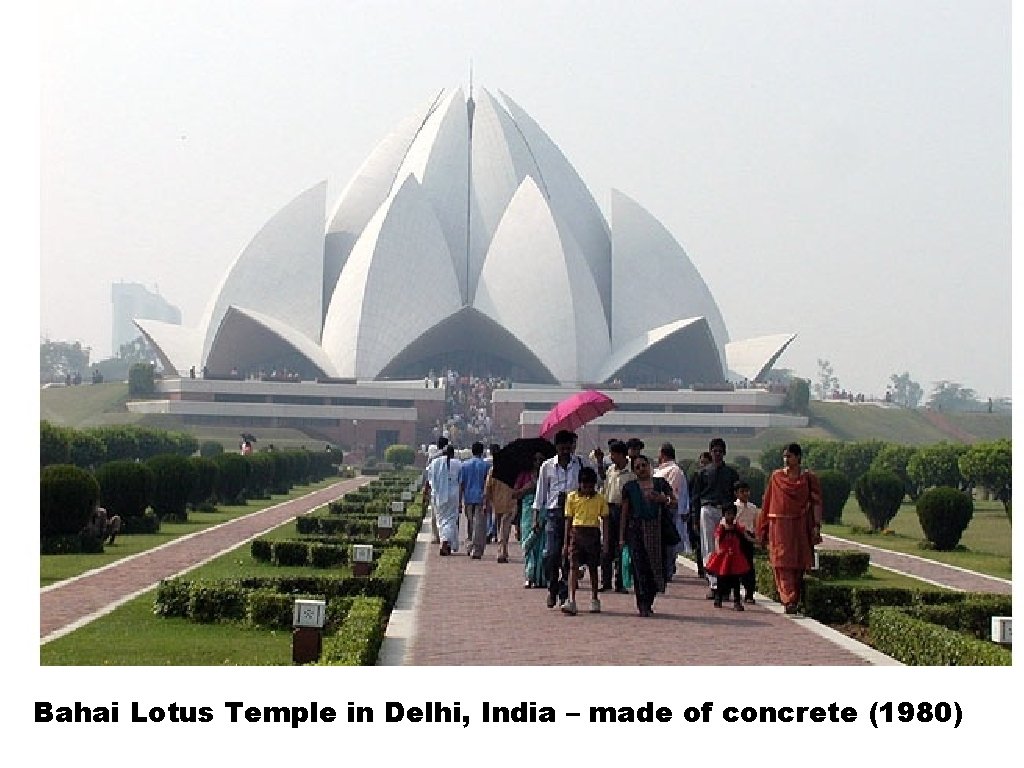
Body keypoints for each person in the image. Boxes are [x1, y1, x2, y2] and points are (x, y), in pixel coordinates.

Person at [757, 443, 823, 614]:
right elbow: (767, 503)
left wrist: (816, 525)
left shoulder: (808, 479)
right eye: (785, 456)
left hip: (800, 524)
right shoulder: (777, 477)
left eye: (790, 456)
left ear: (798, 457)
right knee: (781, 563)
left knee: (798, 564)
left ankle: (794, 597)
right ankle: (788, 600)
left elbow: (816, 503)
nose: (786, 460)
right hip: (779, 525)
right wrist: (762, 528)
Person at [533, 430, 586, 608]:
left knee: (569, 556)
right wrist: (536, 518)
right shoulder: (547, 467)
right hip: (553, 514)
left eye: (568, 447)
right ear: (556, 447)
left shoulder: (580, 464)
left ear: (572, 446)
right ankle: (552, 587)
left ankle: (565, 593)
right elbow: (540, 494)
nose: (565, 451)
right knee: (551, 554)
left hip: (574, 514)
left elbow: (595, 482)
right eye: (562, 448)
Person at [619, 454, 673, 617]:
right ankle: (642, 603)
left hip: (658, 531)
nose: (642, 469)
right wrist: (622, 537)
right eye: (637, 467)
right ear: (634, 471)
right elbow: (624, 513)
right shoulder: (630, 487)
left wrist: (663, 499)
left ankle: (649, 599)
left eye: (644, 465)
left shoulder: (660, 483)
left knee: (657, 567)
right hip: (637, 531)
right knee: (639, 568)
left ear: (649, 466)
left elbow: (674, 501)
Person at [689, 438, 740, 599]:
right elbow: (695, 498)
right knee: (709, 547)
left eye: (720, 451)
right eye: (714, 451)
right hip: (707, 509)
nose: (717, 454)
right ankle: (714, 584)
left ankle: (725, 585)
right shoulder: (702, 473)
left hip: (725, 512)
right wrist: (695, 519)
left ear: (724, 453)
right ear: (711, 452)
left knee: (726, 548)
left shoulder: (731, 474)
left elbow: (735, 496)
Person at [560, 466, 609, 615]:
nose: (587, 489)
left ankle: (594, 598)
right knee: (573, 567)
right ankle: (571, 599)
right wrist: (565, 543)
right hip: (576, 533)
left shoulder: (600, 499)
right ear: (579, 484)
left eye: (590, 486)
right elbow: (568, 521)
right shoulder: (572, 497)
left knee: (593, 568)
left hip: (592, 533)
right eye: (585, 485)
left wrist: (605, 541)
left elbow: (605, 519)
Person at [599, 440, 634, 593]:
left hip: (624, 511)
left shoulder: (632, 472)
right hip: (609, 508)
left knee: (622, 545)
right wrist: (600, 461)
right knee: (606, 546)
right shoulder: (611, 470)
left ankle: (620, 581)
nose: (611, 457)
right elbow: (603, 484)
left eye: (614, 454)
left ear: (622, 455)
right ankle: (605, 581)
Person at [705, 503, 751, 610]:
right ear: (724, 514)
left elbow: (746, 535)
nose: (730, 516)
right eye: (728, 514)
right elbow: (717, 539)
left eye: (732, 514)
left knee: (736, 581)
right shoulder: (721, 527)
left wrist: (757, 541)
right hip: (723, 558)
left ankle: (737, 602)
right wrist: (718, 549)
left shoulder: (736, 527)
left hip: (735, 558)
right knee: (721, 580)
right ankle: (718, 599)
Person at [653, 442, 688, 582]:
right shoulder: (660, 470)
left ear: (663, 454)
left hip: (669, 510)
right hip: (658, 511)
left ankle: (667, 570)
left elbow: (672, 492)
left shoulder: (674, 470)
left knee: (668, 542)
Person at [424, 444, 462, 555]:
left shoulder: (435, 463)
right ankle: (447, 542)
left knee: (441, 520)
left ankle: (445, 541)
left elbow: (429, 479)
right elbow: (461, 481)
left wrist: (425, 492)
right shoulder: (458, 464)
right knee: (451, 519)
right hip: (453, 494)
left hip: (439, 494)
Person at [515, 451, 546, 588]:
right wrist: (526, 488)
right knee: (528, 543)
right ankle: (529, 574)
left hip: (543, 512)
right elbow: (514, 494)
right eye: (535, 459)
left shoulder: (548, 474)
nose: (538, 462)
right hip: (527, 512)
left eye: (541, 459)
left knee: (542, 545)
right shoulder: (524, 475)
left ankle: (541, 577)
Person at [459, 441, 490, 558]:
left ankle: (470, 545)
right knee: (480, 525)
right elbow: (488, 484)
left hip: (468, 498)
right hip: (481, 497)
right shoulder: (485, 466)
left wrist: (460, 500)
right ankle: (476, 548)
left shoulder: (465, 465)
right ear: (482, 452)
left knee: (471, 523)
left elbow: (462, 483)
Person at [484, 459, 517, 563]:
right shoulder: (513, 471)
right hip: (509, 503)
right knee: (504, 528)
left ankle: (503, 550)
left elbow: (487, 488)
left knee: (501, 528)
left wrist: (487, 503)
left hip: (497, 504)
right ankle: (502, 551)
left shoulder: (493, 470)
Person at [733, 480, 760, 603]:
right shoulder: (733, 507)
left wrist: (756, 538)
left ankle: (749, 593)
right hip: (735, 537)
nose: (745, 494)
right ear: (736, 493)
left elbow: (755, 525)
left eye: (747, 491)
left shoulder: (753, 508)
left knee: (749, 565)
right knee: (734, 565)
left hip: (748, 537)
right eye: (742, 492)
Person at [424, 437, 449, 544]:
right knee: (448, 515)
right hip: (448, 488)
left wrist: (426, 489)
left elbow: (428, 474)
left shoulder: (432, 458)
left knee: (435, 514)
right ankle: (446, 536)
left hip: (435, 488)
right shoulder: (450, 456)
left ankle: (436, 536)